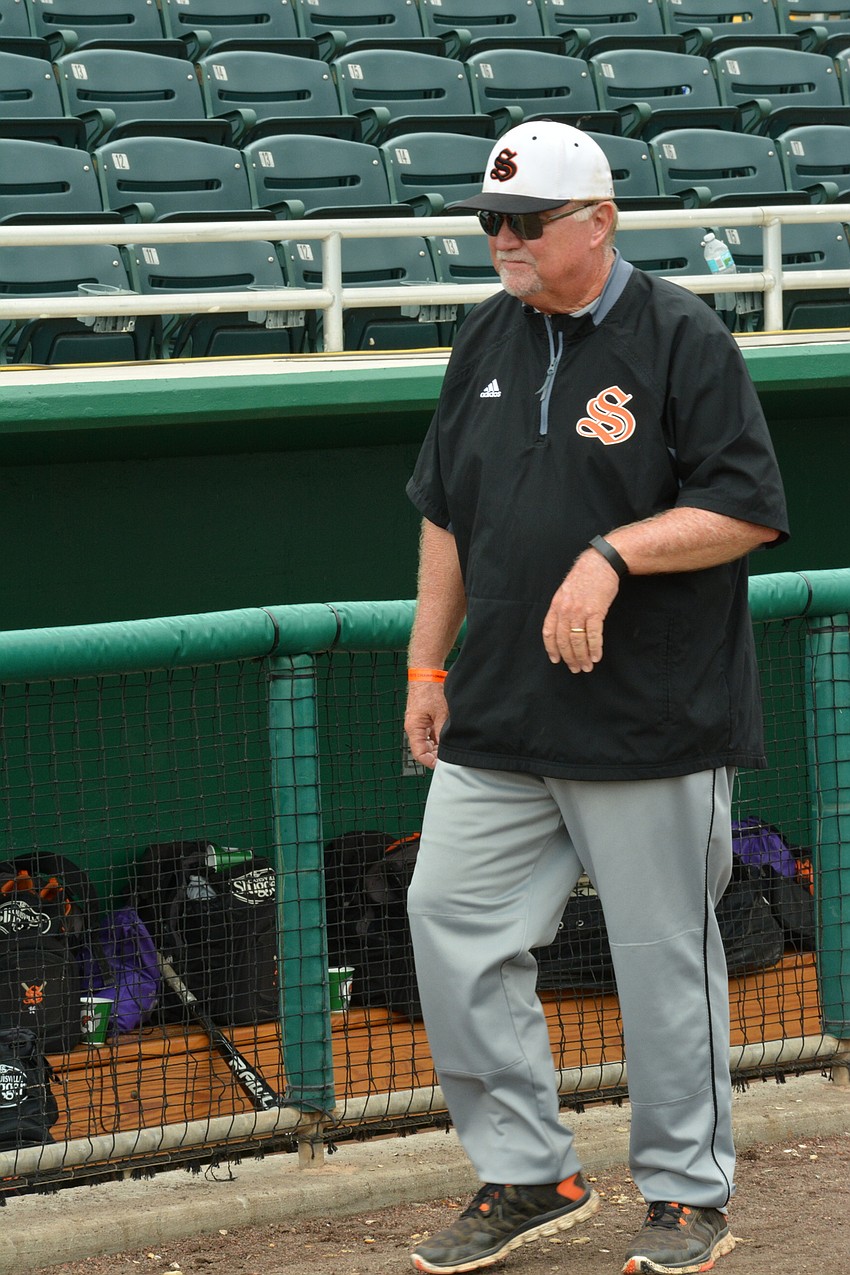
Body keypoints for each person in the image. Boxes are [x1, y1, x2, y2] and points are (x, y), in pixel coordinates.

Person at [402, 120, 789, 1275]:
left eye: (527, 221)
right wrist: (427, 665)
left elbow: (746, 507)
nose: (504, 240)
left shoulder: (678, 334)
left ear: (599, 220)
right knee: (450, 923)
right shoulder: (485, 332)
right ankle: (528, 1169)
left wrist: (613, 553)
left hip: (649, 716)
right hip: (500, 709)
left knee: (663, 960)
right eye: (491, 221)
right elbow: (444, 512)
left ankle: (686, 1193)